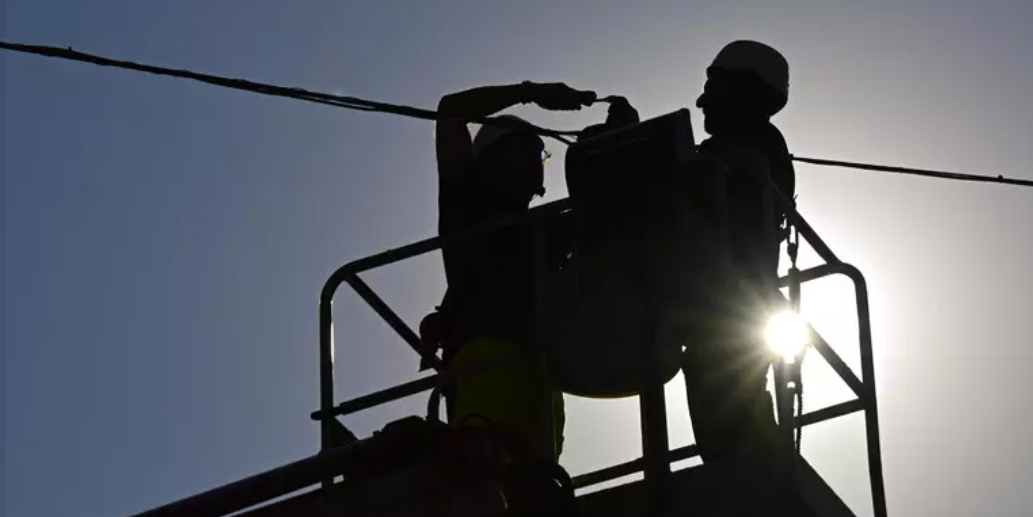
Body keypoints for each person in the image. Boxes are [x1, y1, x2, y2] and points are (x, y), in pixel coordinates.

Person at [423, 81, 596, 468]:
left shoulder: (548, 229)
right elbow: (450, 109)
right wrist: (530, 92)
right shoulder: (465, 207)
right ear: (491, 161)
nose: (534, 162)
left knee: (538, 489)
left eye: (538, 155)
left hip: (542, 378)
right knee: (481, 476)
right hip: (485, 367)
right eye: (524, 150)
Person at [678, 40, 799, 511]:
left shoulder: (759, 150)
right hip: (719, 316)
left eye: (713, 88)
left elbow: (696, 185)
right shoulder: (734, 153)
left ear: (744, 91)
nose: (702, 101)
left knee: (735, 420)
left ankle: (764, 483)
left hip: (732, 315)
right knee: (725, 421)